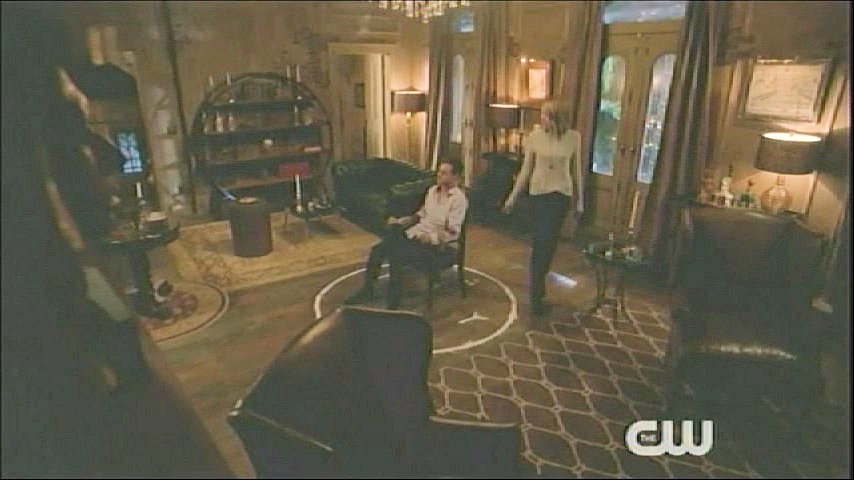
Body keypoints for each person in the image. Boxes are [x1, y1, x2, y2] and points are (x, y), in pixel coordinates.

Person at [346, 160, 468, 310]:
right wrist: (403, 221)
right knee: (379, 248)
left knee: (395, 253)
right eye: (438, 172)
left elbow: (453, 232)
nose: (438, 175)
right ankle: (367, 290)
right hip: (417, 235)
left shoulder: (459, 200)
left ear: (455, 176)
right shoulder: (432, 191)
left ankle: (393, 301)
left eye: (443, 173)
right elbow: (422, 214)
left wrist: (431, 238)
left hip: (437, 245)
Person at [502, 100, 584, 316]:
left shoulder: (574, 138)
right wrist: (512, 198)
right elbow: (525, 170)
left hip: (561, 196)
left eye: (546, 115)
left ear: (556, 118)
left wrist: (580, 201)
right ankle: (536, 294)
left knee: (549, 245)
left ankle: (539, 286)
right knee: (540, 243)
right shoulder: (534, 137)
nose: (542, 119)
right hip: (538, 196)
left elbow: (576, 171)